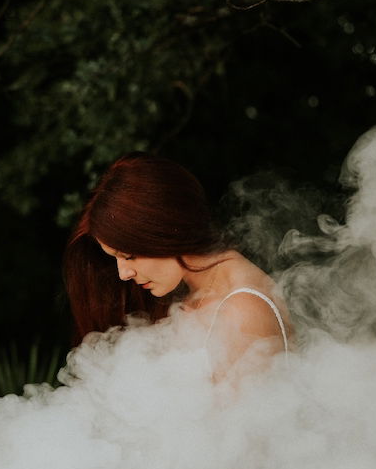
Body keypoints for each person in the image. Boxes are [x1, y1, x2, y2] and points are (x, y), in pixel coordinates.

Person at [64, 151, 290, 380]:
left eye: (129, 255)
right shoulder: (200, 293)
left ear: (164, 228)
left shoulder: (242, 309)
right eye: (116, 259)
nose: (123, 273)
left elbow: (248, 415)